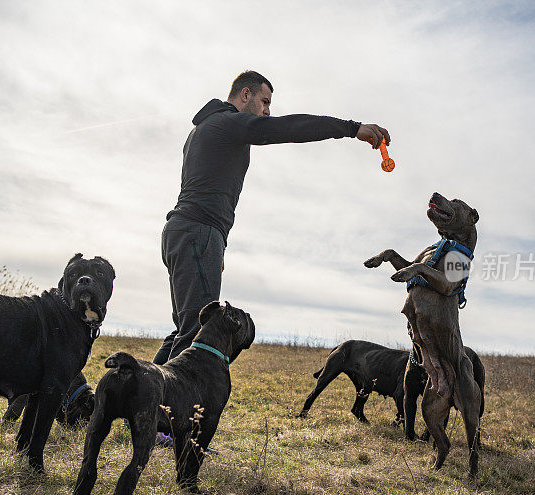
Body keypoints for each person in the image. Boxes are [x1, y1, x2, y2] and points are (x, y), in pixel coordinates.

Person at [153, 70, 390, 365]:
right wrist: (351, 128)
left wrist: (216, 242)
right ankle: (165, 408)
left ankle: (141, 402)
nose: (267, 111)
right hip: (197, 232)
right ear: (245, 95)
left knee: (185, 329)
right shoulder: (228, 123)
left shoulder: (202, 130)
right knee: (196, 332)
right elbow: (289, 128)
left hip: (185, 232)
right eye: (264, 101)